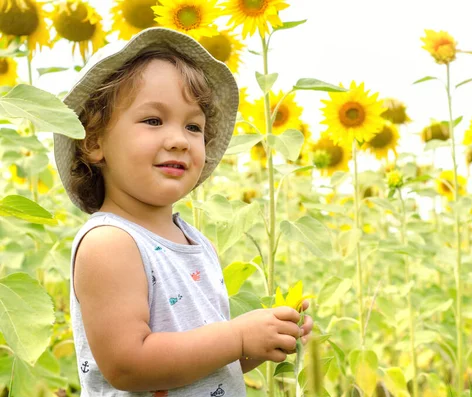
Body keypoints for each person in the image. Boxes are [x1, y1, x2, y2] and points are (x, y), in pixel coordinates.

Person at [54, 27, 313, 396]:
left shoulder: (194, 241)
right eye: (153, 121)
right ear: (94, 140)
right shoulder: (110, 244)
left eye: (193, 126)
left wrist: (263, 339)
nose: (178, 139)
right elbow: (129, 365)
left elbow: (202, 359)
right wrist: (237, 336)